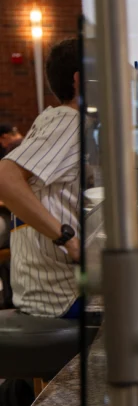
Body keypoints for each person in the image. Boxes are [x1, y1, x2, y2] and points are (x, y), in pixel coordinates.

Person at [0, 38, 83, 318]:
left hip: (49, 287)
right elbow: (5, 176)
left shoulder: (57, 118)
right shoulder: (70, 122)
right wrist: (68, 240)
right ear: (80, 80)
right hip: (62, 295)